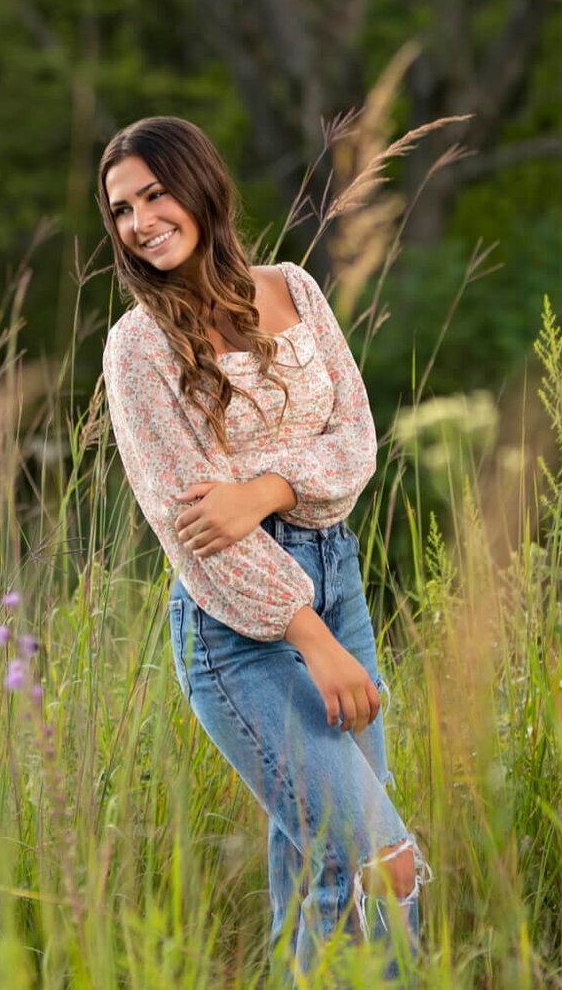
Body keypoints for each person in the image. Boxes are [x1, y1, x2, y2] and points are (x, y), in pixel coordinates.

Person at [97, 115, 429, 983]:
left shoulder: (295, 290)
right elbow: (194, 529)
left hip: (338, 576)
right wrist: (308, 638)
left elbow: (355, 443)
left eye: (154, 194)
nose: (140, 222)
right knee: (381, 864)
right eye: (122, 209)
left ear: (200, 184)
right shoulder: (137, 346)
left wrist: (262, 492)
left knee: (329, 875)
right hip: (236, 627)